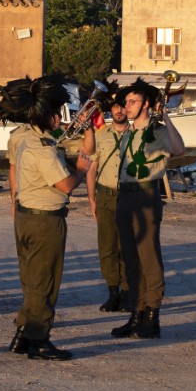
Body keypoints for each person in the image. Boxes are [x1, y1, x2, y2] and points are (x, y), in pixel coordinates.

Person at [0, 75, 91, 361]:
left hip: (26, 213)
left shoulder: (23, 137)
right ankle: (39, 339)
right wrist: (81, 169)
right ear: (43, 115)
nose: (58, 119)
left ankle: (24, 333)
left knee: (31, 280)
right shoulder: (40, 149)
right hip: (45, 219)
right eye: (55, 114)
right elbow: (66, 186)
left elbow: (13, 172)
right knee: (44, 282)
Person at [109, 77, 186, 341]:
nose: (126, 106)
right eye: (126, 101)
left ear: (146, 105)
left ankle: (152, 316)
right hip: (125, 195)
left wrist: (165, 116)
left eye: (132, 101)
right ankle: (136, 312)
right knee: (130, 257)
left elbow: (178, 149)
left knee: (148, 256)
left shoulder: (159, 130)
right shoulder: (129, 132)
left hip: (145, 194)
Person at [80, 80, 130, 312]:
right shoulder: (102, 134)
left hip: (130, 196)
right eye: (115, 106)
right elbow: (92, 166)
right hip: (106, 195)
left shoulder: (139, 133)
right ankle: (113, 292)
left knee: (128, 245)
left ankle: (128, 291)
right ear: (110, 109)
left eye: (123, 106)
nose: (119, 110)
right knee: (107, 245)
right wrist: (91, 198)